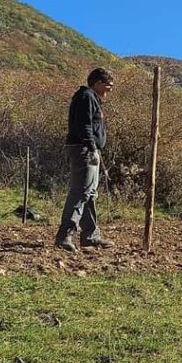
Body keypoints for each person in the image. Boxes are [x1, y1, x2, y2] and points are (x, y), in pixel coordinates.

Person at [55, 67, 115, 252]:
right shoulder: (86, 97)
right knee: (81, 192)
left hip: (87, 149)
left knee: (90, 194)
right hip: (84, 150)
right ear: (97, 83)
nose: (109, 90)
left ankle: (90, 236)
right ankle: (65, 235)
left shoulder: (90, 97)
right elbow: (84, 125)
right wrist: (91, 147)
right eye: (108, 86)